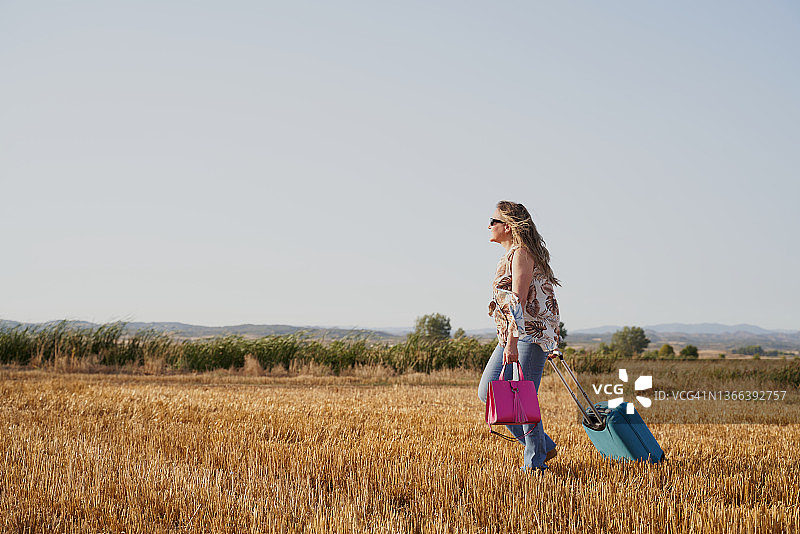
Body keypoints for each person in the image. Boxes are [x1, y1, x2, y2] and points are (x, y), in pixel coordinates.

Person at [477, 200, 561, 471]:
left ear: (509, 226)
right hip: (511, 335)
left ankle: (535, 464)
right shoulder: (510, 255)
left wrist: (512, 343)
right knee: (487, 391)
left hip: (527, 336)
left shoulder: (522, 254)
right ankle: (543, 446)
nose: (488, 225)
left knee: (521, 400)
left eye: (493, 221)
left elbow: (519, 302)